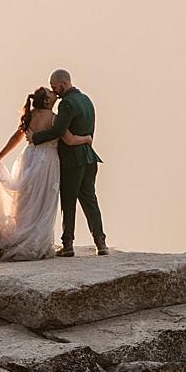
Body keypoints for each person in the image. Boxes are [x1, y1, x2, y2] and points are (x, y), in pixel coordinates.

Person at [0, 87, 63, 262]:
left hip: (28, 157)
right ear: (46, 101)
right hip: (47, 161)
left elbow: (15, 138)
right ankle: (34, 240)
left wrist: (1, 155)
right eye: (51, 93)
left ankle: (23, 232)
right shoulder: (54, 118)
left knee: (25, 200)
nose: (54, 93)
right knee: (42, 201)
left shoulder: (30, 115)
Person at [48, 68, 107, 256]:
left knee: (69, 201)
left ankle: (67, 244)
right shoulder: (86, 100)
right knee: (90, 200)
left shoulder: (67, 104)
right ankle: (101, 242)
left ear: (64, 84)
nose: (54, 92)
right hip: (89, 157)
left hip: (72, 159)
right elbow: (90, 130)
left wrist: (35, 137)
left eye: (54, 87)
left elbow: (58, 130)